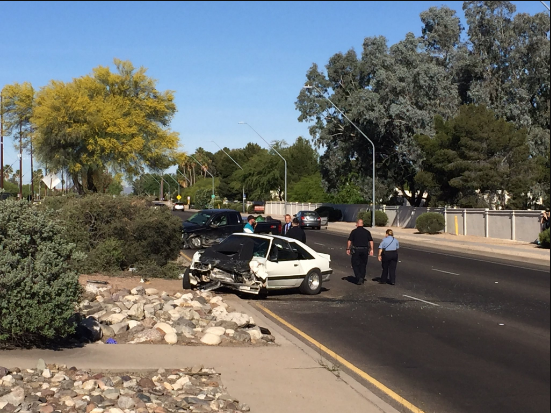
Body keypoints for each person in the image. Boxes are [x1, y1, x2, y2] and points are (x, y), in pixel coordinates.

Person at [347, 219, 374, 285]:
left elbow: (349, 240)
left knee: (354, 264)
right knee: (363, 264)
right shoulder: (367, 232)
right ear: (362, 224)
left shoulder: (354, 231)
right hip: (365, 250)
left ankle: (358, 277)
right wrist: (372, 249)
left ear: (357, 224)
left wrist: (348, 248)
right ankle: (362, 277)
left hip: (356, 250)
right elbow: (371, 241)